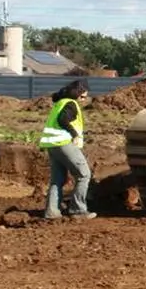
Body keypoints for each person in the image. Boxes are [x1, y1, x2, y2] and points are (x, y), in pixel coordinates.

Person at [38, 78, 96, 220]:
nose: (84, 99)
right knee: (84, 174)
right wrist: (74, 134)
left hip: (52, 145)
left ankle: (52, 212)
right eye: (83, 96)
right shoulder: (71, 104)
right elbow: (63, 120)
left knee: (57, 179)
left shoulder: (60, 103)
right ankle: (78, 210)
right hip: (64, 143)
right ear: (78, 93)